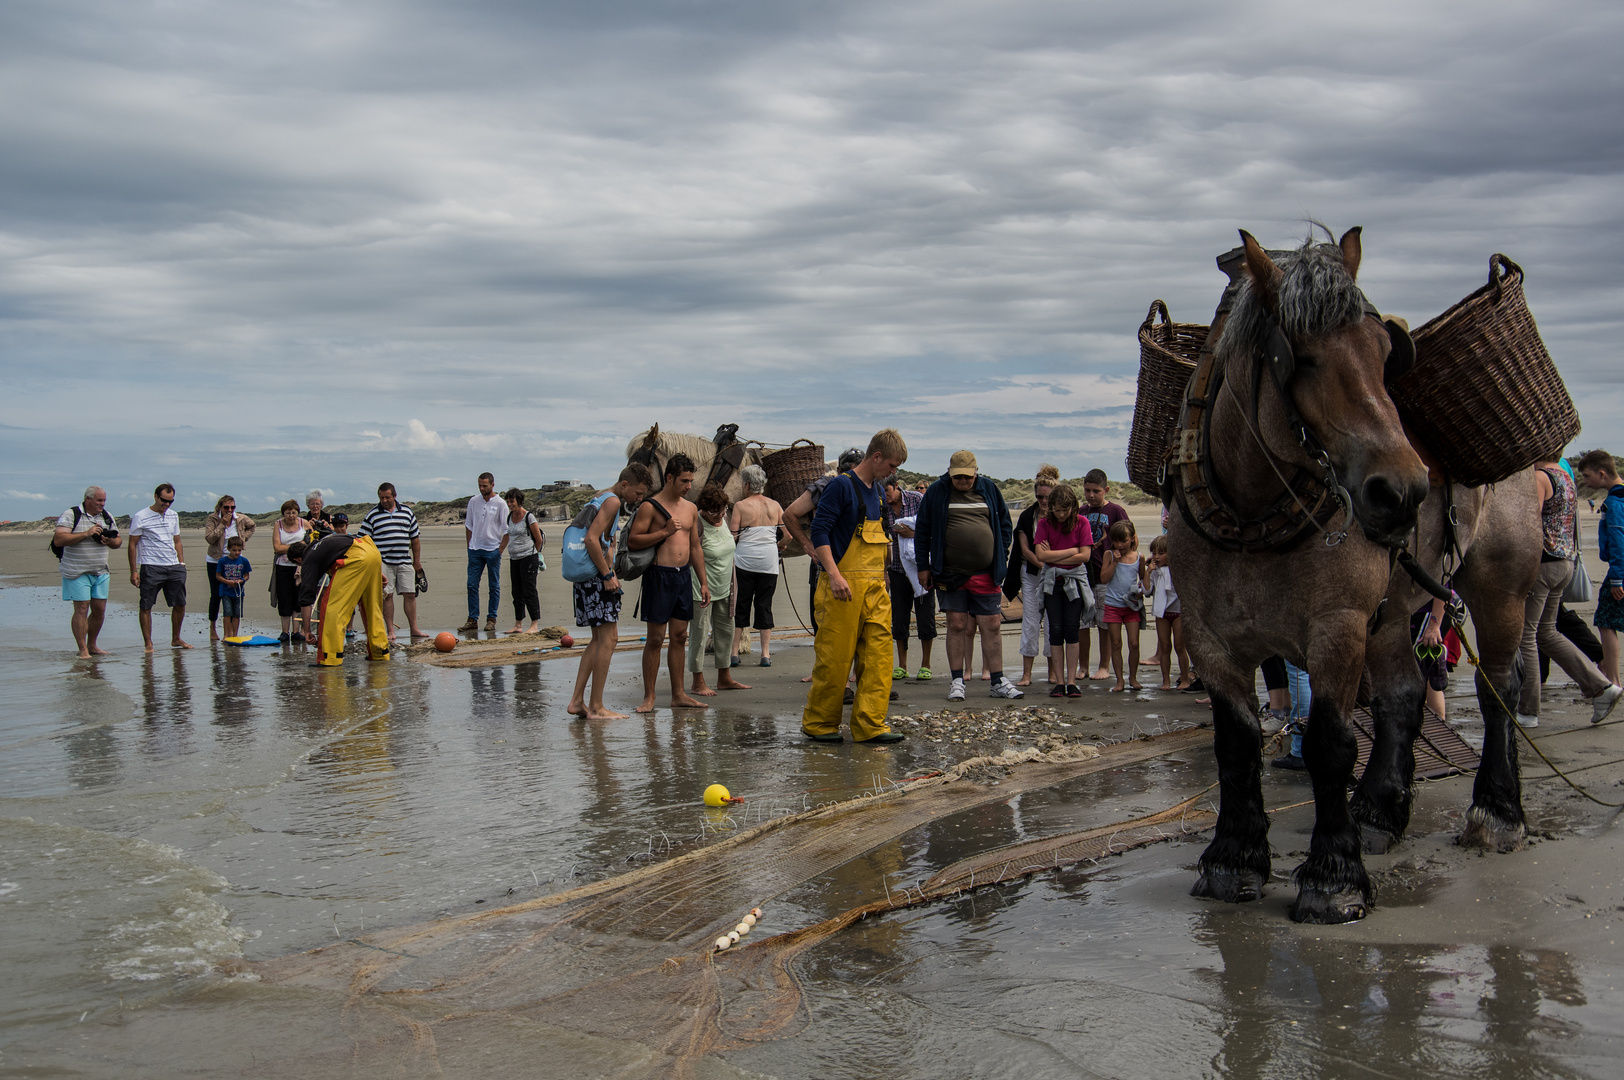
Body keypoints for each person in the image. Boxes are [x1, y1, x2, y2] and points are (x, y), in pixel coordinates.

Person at [802, 429, 910, 743]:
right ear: (875, 456)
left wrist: (884, 578)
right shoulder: (841, 486)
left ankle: (870, 725)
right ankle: (820, 724)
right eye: (891, 465)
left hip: (875, 589)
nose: (894, 473)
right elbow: (820, 532)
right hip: (841, 589)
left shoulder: (877, 491)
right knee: (835, 661)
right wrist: (834, 575)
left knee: (878, 659)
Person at [1518, 460, 1621, 727]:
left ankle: (1528, 711)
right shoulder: (1565, 476)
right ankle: (1601, 687)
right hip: (1565, 562)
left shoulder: (1541, 477)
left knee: (1527, 635)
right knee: (1547, 632)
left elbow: (1530, 521)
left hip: (1544, 563)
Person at [915, 450, 1022, 701]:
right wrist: (923, 566)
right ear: (950, 474)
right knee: (956, 624)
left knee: (992, 625)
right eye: (957, 478)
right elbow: (922, 531)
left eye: (967, 477)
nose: (962, 482)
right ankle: (957, 680)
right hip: (950, 573)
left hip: (986, 572)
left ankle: (997, 681)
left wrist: (1000, 554)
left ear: (976, 472)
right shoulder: (937, 492)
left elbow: (1005, 525)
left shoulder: (989, 489)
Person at [566, 463, 654, 720]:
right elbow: (592, 539)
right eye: (637, 494)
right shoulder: (613, 501)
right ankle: (596, 707)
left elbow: (603, 541)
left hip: (587, 577)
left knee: (598, 639)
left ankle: (577, 701)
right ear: (624, 484)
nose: (638, 500)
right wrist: (607, 574)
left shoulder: (600, 495)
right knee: (608, 639)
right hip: (596, 577)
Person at [630, 454, 709, 713]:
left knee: (679, 636)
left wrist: (704, 582)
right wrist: (664, 532)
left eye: (691, 481)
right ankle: (649, 697)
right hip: (658, 576)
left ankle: (679, 694)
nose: (688, 486)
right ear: (670, 478)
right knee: (655, 639)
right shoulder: (649, 507)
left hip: (682, 576)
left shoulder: (691, 508)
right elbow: (634, 541)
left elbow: (695, 547)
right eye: (684, 481)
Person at [288, 533, 389, 667]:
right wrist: (375, 571)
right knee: (371, 606)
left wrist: (307, 631)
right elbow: (362, 551)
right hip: (371, 551)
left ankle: (329, 657)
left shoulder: (308, 559)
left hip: (356, 559)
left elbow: (306, 599)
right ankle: (379, 652)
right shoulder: (324, 542)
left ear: (297, 560)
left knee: (331, 608)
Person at [688, 484, 750, 696]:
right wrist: (704, 584)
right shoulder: (697, 524)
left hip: (726, 586)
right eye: (715, 513)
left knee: (726, 631)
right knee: (699, 633)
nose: (720, 516)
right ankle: (698, 681)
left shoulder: (722, 520)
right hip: (701, 589)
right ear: (703, 509)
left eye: (723, 511)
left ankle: (724, 678)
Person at [1032, 482, 1092, 697]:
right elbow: (1041, 556)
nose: (1060, 514)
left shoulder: (1082, 522)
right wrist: (1071, 551)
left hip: (1074, 581)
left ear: (1073, 508)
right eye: (1056, 510)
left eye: (1065, 510)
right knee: (1055, 630)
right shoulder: (1045, 523)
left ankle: (1072, 681)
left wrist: (1056, 554)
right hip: (1052, 582)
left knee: (1071, 628)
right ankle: (1059, 682)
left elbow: (1085, 556)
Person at [55, 485, 122, 658]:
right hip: (76, 571)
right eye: (99, 500)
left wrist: (109, 541)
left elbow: (118, 541)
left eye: (104, 500)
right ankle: (82, 648)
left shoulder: (107, 516)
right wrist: (87, 533)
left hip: (100, 571)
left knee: (99, 609)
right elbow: (59, 539)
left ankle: (92, 644)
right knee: (82, 608)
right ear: (88, 499)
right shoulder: (71, 514)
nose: (103, 504)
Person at [729, 464, 783, 667]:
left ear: (748, 485)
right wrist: (779, 546)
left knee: (741, 604)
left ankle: (734, 652)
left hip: (744, 561)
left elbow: (733, 536)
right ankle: (765, 654)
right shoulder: (775, 505)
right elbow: (788, 533)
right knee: (764, 605)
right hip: (768, 562)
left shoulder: (741, 506)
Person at [1579, 450, 1624, 689]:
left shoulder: (1615, 502)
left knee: (1606, 621)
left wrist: (1617, 578)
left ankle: (1613, 678)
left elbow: (1618, 541)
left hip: (1620, 571)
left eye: (1587, 476)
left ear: (1602, 473)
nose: (1585, 482)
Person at [884, 475, 936, 681]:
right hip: (897, 569)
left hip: (921, 569)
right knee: (899, 619)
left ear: (896, 486)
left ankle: (926, 664)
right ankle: (902, 665)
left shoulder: (916, 499)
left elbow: (932, 527)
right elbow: (881, 538)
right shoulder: (883, 508)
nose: (885, 497)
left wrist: (912, 534)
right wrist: (885, 571)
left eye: (887, 491)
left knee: (925, 616)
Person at [127, 483, 190, 652]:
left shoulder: (173, 516)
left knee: (180, 603)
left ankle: (176, 638)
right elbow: (132, 544)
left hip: (174, 565)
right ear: (156, 496)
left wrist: (181, 563)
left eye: (170, 501)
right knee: (146, 605)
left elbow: (177, 540)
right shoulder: (140, 516)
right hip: (151, 566)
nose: (167, 504)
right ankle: (148, 643)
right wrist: (133, 570)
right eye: (164, 500)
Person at [359, 483, 424, 642]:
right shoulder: (373, 515)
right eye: (381, 498)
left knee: (410, 594)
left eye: (387, 497)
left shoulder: (407, 512)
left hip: (404, 560)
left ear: (394, 495)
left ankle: (414, 629)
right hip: (383, 562)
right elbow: (362, 540)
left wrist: (417, 562)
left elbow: (414, 538)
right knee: (387, 596)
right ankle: (390, 630)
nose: (384, 500)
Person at [1081, 470, 1130, 680]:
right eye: (1087, 490)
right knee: (1082, 623)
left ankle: (1104, 665)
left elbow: (1129, 536)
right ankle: (1083, 666)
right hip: (1083, 573)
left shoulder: (1115, 510)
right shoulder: (1081, 511)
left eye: (1096, 491)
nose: (1091, 495)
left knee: (1103, 622)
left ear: (1106, 490)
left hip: (1105, 575)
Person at [1011, 466, 1058, 686]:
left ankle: (1052, 671)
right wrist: (1043, 562)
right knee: (1030, 622)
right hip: (1031, 573)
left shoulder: (1061, 517)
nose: (1043, 501)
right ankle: (1027, 674)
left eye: (1047, 497)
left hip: (1055, 575)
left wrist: (1050, 565)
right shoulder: (1028, 515)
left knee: (1051, 623)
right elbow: (1024, 549)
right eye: (1039, 496)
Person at [1097, 519, 1144, 692]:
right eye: (1116, 541)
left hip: (1131, 606)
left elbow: (1143, 581)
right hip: (1112, 605)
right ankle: (1120, 680)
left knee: (1134, 643)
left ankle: (1133, 677)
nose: (1120, 545)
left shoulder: (1139, 557)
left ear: (1132, 538)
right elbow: (1104, 579)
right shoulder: (1109, 555)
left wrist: (1142, 591)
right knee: (1115, 643)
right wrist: (1115, 562)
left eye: (1124, 541)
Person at [202, 495, 256, 643]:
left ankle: (233, 632)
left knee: (234, 594)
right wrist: (222, 525)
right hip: (216, 559)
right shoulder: (213, 519)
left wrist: (243, 539)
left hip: (235, 560)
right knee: (216, 594)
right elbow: (210, 538)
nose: (229, 510)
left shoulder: (240, 519)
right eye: (226, 507)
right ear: (220, 507)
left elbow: (252, 526)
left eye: (232, 507)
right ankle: (213, 628)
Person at [1143, 535, 1192, 691]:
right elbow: (1146, 590)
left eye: (1161, 553)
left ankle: (1185, 678)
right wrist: (1148, 572)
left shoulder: (1179, 569)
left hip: (1178, 611)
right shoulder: (1155, 571)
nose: (1156, 557)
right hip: (1162, 612)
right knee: (1164, 646)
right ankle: (1165, 680)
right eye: (1154, 553)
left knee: (1179, 646)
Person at [459, 472, 506, 632]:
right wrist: (469, 546)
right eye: (480, 485)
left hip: (492, 549)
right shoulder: (473, 501)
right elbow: (469, 524)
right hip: (475, 549)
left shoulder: (500, 504)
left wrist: (499, 550)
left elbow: (506, 530)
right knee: (472, 585)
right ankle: (472, 619)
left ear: (493, 485)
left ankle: (491, 618)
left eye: (485, 486)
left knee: (494, 586)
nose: (481, 488)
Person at [503, 488, 545, 634]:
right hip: (514, 559)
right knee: (516, 592)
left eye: (512, 501)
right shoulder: (510, 517)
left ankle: (534, 624)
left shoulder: (529, 517)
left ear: (519, 501)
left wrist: (535, 555)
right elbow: (508, 535)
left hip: (529, 558)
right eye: (508, 501)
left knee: (529, 591)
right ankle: (518, 624)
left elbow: (538, 539)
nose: (509, 504)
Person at [270, 500, 308, 642]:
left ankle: (296, 631)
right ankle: (285, 631)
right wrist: (298, 546)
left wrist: (292, 547)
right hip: (283, 566)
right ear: (283, 514)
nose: (291, 516)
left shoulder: (304, 523)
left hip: (300, 566)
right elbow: (277, 547)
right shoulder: (278, 525)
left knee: (298, 599)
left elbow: (311, 541)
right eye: (288, 513)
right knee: (284, 598)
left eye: (293, 512)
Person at [216, 537, 251, 639]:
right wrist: (227, 581)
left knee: (236, 614)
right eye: (234, 550)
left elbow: (246, 575)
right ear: (228, 549)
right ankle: (226, 635)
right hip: (225, 591)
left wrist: (241, 581)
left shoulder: (244, 561)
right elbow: (218, 576)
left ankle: (235, 635)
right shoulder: (223, 561)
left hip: (239, 592)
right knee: (227, 613)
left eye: (239, 550)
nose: (237, 553)